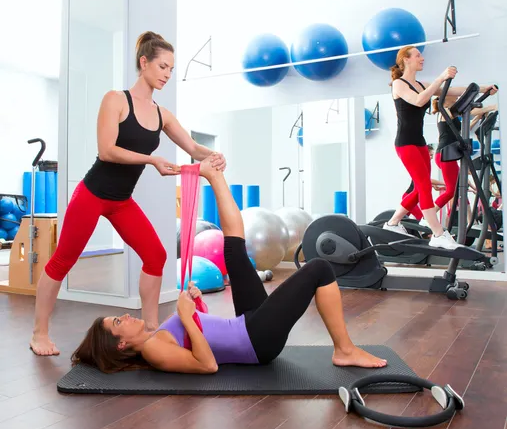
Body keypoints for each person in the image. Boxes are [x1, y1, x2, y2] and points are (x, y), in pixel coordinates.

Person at [71, 156, 388, 375]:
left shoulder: (156, 338)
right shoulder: (153, 352)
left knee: (233, 248)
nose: (126, 316)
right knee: (319, 268)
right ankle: (344, 350)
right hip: (256, 341)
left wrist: (195, 307)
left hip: (246, 325)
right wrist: (186, 317)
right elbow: (207, 366)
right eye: (117, 322)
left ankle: (215, 177)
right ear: (122, 343)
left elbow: (207, 336)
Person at [31, 31, 226, 357]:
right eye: (162, 66)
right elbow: (107, 150)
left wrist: (214, 156)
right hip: (92, 194)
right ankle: (39, 333)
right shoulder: (115, 100)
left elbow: (192, 147)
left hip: (121, 201)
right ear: (144, 62)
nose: (166, 74)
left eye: (171, 69)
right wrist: (151, 159)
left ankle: (150, 330)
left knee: (156, 255)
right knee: (63, 259)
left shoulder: (162, 114)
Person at [383, 45, 496, 250]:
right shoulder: (398, 84)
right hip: (405, 143)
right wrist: (440, 78)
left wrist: (483, 88)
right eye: (418, 55)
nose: (422, 58)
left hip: (420, 143)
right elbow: (418, 101)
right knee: (424, 185)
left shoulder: (420, 83)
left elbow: (453, 91)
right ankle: (437, 233)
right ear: (406, 60)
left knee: (419, 188)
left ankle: (392, 223)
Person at [432, 95, 498, 213]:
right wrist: (492, 107)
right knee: (451, 191)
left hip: (447, 155)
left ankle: (470, 220)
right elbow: (466, 111)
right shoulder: (445, 111)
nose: (456, 97)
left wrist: (477, 118)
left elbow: (463, 130)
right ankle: (428, 216)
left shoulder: (448, 115)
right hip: (445, 155)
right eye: (452, 96)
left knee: (460, 188)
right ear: (445, 100)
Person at [402, 144, 445, 221]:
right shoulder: (419, 165)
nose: (432, 157)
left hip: (413, 198)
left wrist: (435, 186)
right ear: (425, 153)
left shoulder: (425, 165)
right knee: (422, 219)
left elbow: (424, 182)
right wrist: (445, 183)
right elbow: (427, 180)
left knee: (403, 219)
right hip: (409, 197)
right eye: (430, 155)